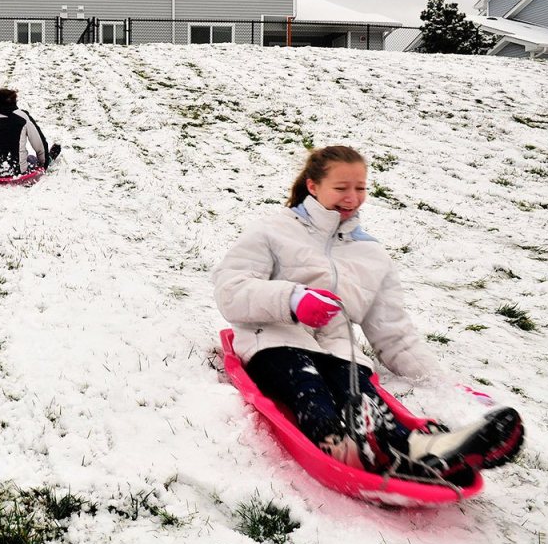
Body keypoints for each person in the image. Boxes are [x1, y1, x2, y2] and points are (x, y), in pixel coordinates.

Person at [213, 145, 524, 485]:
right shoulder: (272, 231)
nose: (353, 197)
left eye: (360, 188)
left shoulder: (370, 254)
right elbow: (231, 289)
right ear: (313, 186)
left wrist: (441, 382)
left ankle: (426, 449)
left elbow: (394, 333)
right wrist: (292, 299)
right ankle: (349, 446)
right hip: (273, 338)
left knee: (366, 402)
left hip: (338, 348)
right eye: (341, 188)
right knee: (311, 391)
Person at [0, 88, 61, 177]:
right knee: (32, 159)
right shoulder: (23, 117)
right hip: (16, 170)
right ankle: (50, 159)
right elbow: (39, 144)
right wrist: (43, 164)